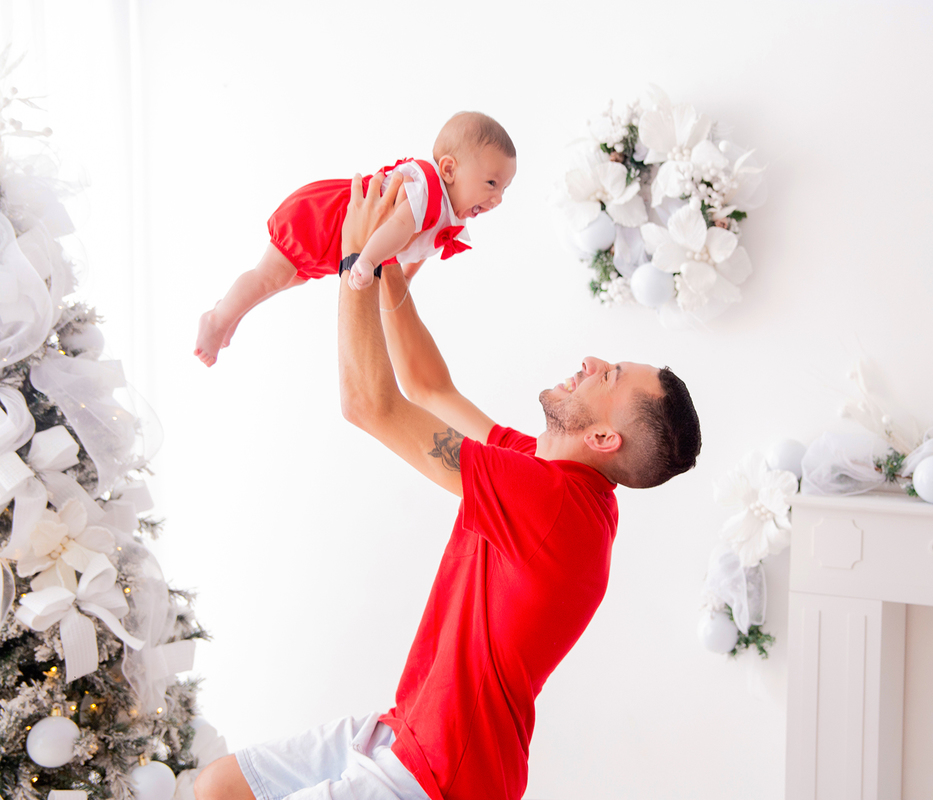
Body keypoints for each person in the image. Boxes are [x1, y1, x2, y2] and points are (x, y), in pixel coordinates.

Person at [193, 170, 702, 800]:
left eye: (611, 376)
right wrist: (389, 275)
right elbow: (431, 389)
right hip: (406, 733)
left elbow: (368, 405)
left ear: (604, 439)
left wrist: (356, 261)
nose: (595, 361)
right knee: (217, 786)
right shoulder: (555, 479)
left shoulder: (549, 506)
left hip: (438, 777)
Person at [193, 111, 517, 366]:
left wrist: (404, 278)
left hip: (335, 241)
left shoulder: (448, 211)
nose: (498, 198)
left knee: (287, 279)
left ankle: (232, 311)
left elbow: (416, 249)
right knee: (272, 275)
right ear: (449, 169)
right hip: (324, 218)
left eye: (504, 189)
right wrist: (367, 262)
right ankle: (217, 319)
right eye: (491, 183)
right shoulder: (426, 186)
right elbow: (400, 227)